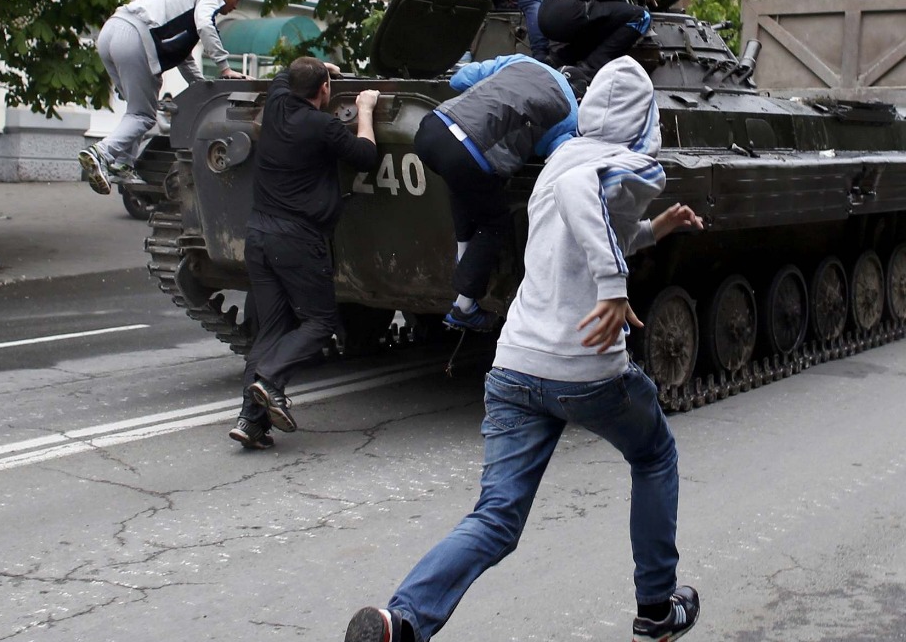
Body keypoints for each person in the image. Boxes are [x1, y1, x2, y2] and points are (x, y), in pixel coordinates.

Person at [345, 58, 705, 642]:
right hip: (587, 372)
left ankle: (402, 621)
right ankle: (657, 609)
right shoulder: (631, 163)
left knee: (496, 518)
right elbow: (583, 195)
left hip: (515, 367)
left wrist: (655, 229)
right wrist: (614, 288)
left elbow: (587, 221)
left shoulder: (561, 156)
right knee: (654, 456)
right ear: (645, 119)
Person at [233, 56, 381, 449]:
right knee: (319, 322)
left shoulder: (277, 103)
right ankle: (269, 381)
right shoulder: (322, 125)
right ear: (324, 91)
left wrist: (318, 67)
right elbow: (366, 156)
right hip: (297, 240)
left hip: (259, 235)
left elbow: (284, 76)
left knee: (273, 328)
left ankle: (251, 422)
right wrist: (365, 110)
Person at [414, 55, 577, 333]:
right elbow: (558, 155)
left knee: (462, 187)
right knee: (495, 222)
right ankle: (464, 306)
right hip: (469, 153)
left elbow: (459, 79)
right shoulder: (570, 112)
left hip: (432, 129)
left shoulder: (520, 61)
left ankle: (463, 255)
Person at [81, 0, 248, 194]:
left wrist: (200, 86)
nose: (236, 6)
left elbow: (183, 57)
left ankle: (123, 165)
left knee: (135, 111)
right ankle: (101, 153)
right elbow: (205, 27)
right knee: (143, 116)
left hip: (110, 32)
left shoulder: (186, 0)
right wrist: (225, 68)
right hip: (133, 37)